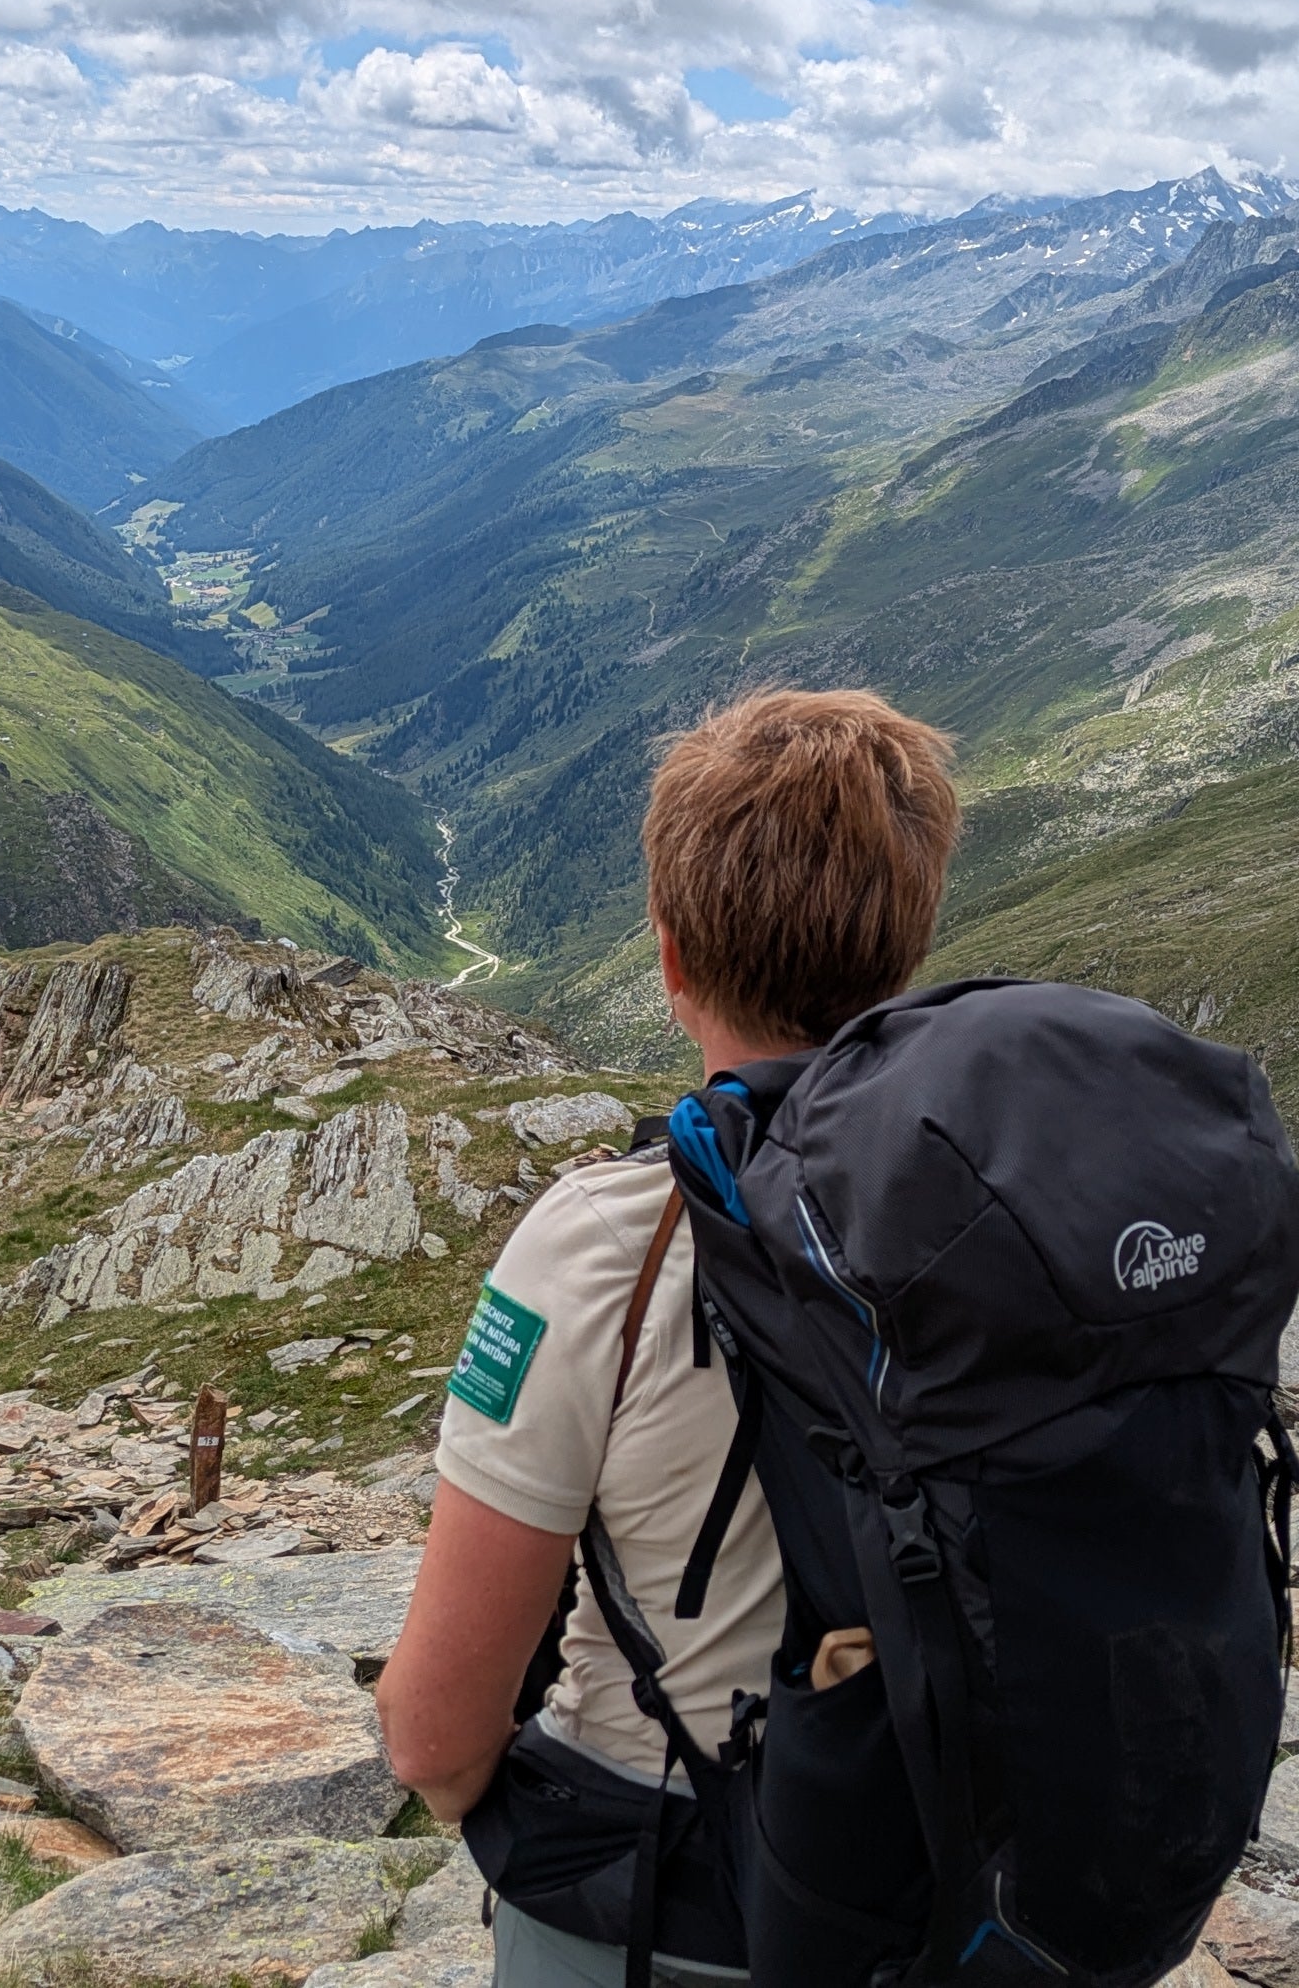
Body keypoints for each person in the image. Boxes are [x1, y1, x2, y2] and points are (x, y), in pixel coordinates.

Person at [381, 688, 963, 1988]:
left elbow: (434, 1736)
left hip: (674, 1901)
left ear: (672, 959)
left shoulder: (607, 1241)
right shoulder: (1017, 1215)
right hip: (960, 1889)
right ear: (909, 946)